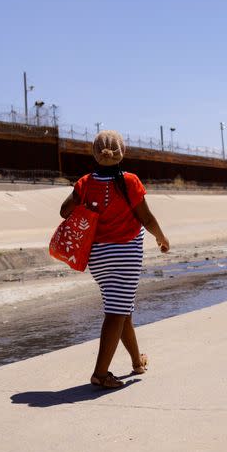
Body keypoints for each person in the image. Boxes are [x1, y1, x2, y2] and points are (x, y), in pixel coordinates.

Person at [59, 130, 170, 389]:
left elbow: (65, 211)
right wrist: (162, 238)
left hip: (98, 256)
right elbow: (147, 218)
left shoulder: (85, 183)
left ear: (94, 154)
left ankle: (136, 362)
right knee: (117, 311)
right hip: (126, 254)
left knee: (122, 309)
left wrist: (90, 205)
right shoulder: (130, 181)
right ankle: (100, 373)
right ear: (123, 152)